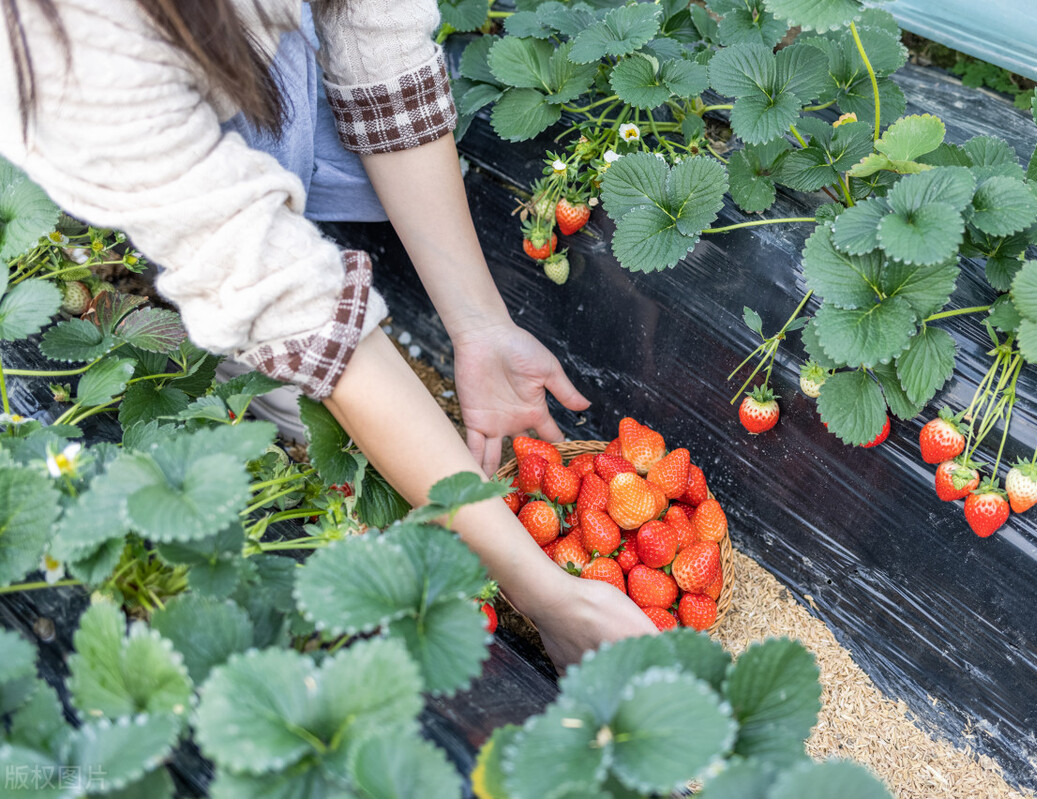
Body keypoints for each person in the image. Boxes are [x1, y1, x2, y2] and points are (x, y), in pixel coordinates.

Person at [0, 0, 657, 669]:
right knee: (304, 373)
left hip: (214, 42)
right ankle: (232, 350)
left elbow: (376, 35)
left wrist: (480, 324)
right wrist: (542, 592)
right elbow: (282, 294)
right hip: (102, 105)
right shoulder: (78, 49)